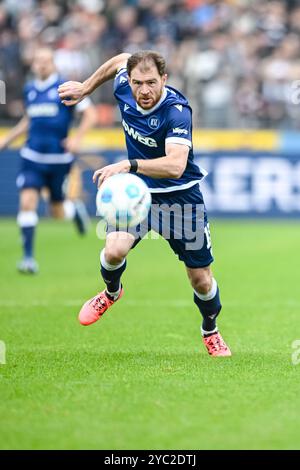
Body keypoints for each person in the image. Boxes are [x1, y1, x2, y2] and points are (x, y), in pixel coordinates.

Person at [58, 50, 231, 357]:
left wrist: (128, 165)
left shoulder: (177, 111)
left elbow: (176, 165)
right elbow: (117, 62)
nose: (144, 90)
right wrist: (86, 87)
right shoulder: (125, 84)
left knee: (202, 280)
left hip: (181, 197)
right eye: (138, 82)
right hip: (138, 194)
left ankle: (210, 329)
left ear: (164, 79)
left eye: (152, 82)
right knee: (113, 250)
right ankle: (112, 292)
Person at [0, 47, 97, 273]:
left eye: (46, 61)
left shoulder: (65, 88)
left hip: (58, 158)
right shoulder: (30, 89)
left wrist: (77, 139)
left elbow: (90, 114)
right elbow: (28, 120)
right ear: (34, 64)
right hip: (32, 156)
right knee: (27, 202)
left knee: (56, 211)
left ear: (53, 63)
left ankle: (74, 210)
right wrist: (7, 140)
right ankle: (28, 258)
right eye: (38, 61)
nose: (42, 65)